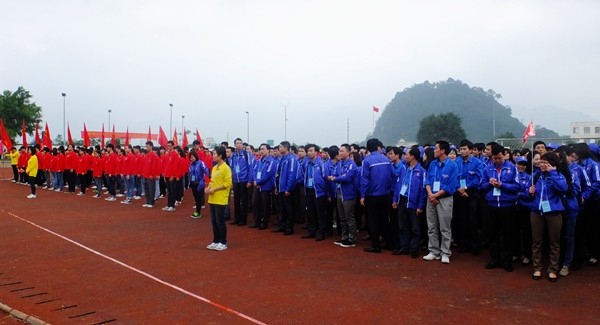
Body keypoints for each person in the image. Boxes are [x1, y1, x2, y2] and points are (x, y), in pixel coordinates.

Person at [529, 152, 569, 282]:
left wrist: (552, 173)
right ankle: (537, 268)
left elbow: (563, 189)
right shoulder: (536, 175)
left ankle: (552, 269)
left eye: (546, 162)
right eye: (541, 161)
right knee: (536, 242)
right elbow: (527, 191)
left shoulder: (558, 176)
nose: (543, 164)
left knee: (554, 242)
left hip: (554, 213)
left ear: (553, 163)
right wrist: (529, 191)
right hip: (537, 212)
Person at [481, 143, 520, 272]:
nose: (497, 161)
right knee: (493, 234)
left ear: (504, 155)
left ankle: (507, 261)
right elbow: (482, 186)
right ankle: (494, 259)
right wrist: (490, 183)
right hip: (492, 205)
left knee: (508, 234)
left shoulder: (512, 168)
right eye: (494, 158)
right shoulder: (488, 169)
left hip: (507, 206)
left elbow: (517, 187)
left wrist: (502, 185)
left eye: (499, 158)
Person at [423, 140, 459, 264]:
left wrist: (435, 195)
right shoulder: (433, 164)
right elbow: (427, 180)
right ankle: (434, 251)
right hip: (431, 198)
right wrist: (430, 195)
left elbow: (451, 185)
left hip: (444, 199)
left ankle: (445, 252)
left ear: (443, 150)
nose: (434, 150)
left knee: (445, 227)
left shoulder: (452, 166)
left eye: (436, 148)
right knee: (432, 226)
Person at [360, 138, 395, 253]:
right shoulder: (386, 159)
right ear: (378, 147)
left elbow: (364, 180)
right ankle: (390, 242)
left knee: (373, 220)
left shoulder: (367, 161)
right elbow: (393, 174)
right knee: (384, 219)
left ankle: (375, 245)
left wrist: (362, 196)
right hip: (385, 194)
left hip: (372, 195)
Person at [392, 146, 427, 258]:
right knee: (403, 226)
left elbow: (423, 190)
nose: (405, 156)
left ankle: (414, 249)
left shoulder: (421, 172)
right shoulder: (404, 169)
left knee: (415, 228)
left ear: (412, 156)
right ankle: (404, 247)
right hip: (402, 200)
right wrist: (395, 199)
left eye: (406, 154)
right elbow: (398, 185)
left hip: (414, 203)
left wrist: (420, 206)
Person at [455, 139, 484, 255]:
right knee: (462, 219)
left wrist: (466, 188)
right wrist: (460, 189)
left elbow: (479, 178)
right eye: (460, 149)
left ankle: (475, 245)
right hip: (460, 193)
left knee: (473, 220)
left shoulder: (477, 163)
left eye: (464, 149)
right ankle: (464, 244)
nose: (462, 151)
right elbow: (454, 177)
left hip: (472, 194)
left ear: (471, 150)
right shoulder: (457, 162)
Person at [329, 143, 359, 248]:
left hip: (348, 193)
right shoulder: (340, 164)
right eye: (339, 151)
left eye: (342, 151)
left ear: (348, 152)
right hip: (339, 192)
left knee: (349, 217)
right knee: (342, 218)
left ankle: (352, 239)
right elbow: (338, 175)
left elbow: (348, 177)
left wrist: (335, 178)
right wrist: (337, 177)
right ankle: (344, 237)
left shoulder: (351, 164)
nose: (340, 153)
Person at [205, 146, 232, 251]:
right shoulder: (215, 167)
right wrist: (208, 188)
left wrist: (215, 189)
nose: (213, 156)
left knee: (220, 221)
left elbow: (228, 184)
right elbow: (212, 181)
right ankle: (216, 240)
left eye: (215, 154)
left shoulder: (226, 168)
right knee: (214, 221)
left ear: (220, 156)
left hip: (221, 198)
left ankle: (223, 242)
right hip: (212, 197)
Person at [302, 144, 329, 241]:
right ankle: (311, 231)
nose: (309, 152)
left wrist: (327, 193)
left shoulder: (321, 164)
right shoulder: (307, 164)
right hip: (309, 190)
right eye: (308, 151)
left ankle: (321, 232)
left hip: (319, 192)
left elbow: (326, 179)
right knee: (311, 212)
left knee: (320, 213)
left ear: (316, 152)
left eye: (311, 150)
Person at [274, 141, 302, 235]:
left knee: (289, 209)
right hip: (281, 188)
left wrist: (288, 188)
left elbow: (292, 175)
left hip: (286, 188)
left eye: (281, 147)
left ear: (286, 148)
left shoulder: (291, 159)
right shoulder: (282, 159)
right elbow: (278, 174)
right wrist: (277, 187)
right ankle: (282, 225)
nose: (279, 149)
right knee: (282, 208)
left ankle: (289, 228)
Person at [251, 143, 276, 229]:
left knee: (265, 205)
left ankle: (264, 222)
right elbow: (254, 171)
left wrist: (258, 182)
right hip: (257, 185)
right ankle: (257, 221)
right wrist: (255, 180)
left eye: (263, 149)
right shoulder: (259, 160)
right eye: (260, 149)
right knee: (255, 203)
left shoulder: (271, 161)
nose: (261, 151)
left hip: (266, 187)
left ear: (268, 150)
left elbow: (268, 174)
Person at [231, 138, 253, 226]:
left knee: (243, 201)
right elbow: (232, 168)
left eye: (240, 143)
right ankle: (237, 218)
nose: (239, 145)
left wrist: (249, 180)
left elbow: (250, 168)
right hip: (236, 181)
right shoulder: (233, 155)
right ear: (235, 145)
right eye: (237, 143)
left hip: (244, 181)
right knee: (236, 200)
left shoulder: (247, 154)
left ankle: (243, 220)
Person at [189, 151, 210, 218]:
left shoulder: (201, 163)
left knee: (198, 198)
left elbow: (206, 171)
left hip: (199, 183)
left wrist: (207, 179)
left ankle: (198, 212)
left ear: (195, 156)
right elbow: (190, 173)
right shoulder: (191, 164)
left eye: (192, 157)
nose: (191, 159)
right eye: (190, 157)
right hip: (193, 183)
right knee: (195, 198)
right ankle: (197, 211)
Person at [142, 141, 161, 208]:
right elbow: (144, 166)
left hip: (150, 176)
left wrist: (152, 174)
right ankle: (148, 201)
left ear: (151, 146)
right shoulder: (146, 155)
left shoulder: (154, 156)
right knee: (146, 189)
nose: (146, 147)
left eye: (147, 146)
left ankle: (152, 202)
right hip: (145, 175)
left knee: (151, 189)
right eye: (146, 146)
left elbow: (154, 166)